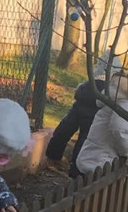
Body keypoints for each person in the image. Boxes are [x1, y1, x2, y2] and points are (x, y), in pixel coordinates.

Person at [45, 50, 123, 178]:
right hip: (103, 159)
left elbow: (64, 129)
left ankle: (71, 174)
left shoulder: (84, 93)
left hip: (80, 157)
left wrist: (53, 154)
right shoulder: (116, 97)